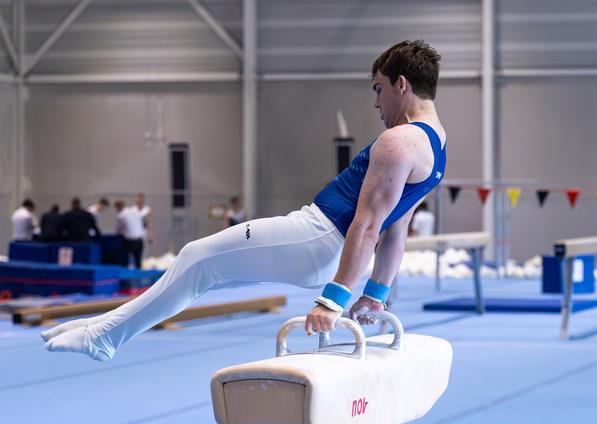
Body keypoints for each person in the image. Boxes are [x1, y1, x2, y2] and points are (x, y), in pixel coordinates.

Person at [42, 40, 447, 362]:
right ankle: (102, 328)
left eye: (378, 89)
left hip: (317, 237)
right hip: (323, 245)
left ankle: (103, 338)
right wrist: (374, 294)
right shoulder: (437, 146)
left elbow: (370, 225)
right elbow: (398, 228)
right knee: (200, 268)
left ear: (401, 84)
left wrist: (333, 300)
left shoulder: (400, 140)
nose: (377, 103)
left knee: (195, 258)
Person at [114, 199, 146, 269]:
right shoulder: (134, 211)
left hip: (130, 240)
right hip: (139, 239)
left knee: (125, 258)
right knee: (138, 260)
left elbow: (118, 230)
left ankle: (126, 273)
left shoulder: (120, 215)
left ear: (118, 207)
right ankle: (138, 274)